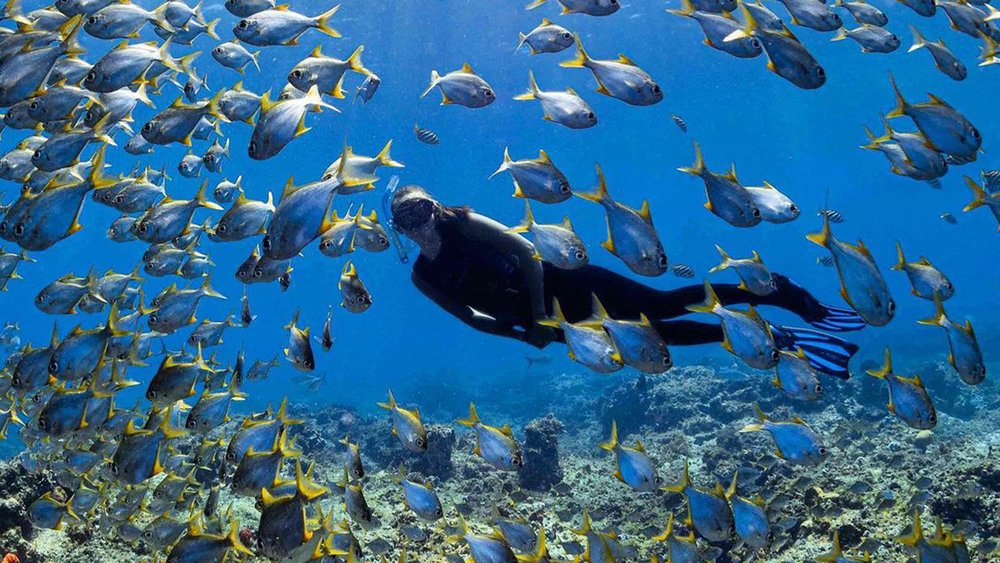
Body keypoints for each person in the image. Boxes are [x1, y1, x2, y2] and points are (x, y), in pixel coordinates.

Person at [388, 185, 863, 379]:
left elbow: (528, 253)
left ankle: (779, 291)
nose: (420, 220)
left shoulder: (466, 223)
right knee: (658, 339)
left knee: (666, 303)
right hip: (548, 325)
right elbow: (470, 318)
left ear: (436, 206)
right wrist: (522, 332)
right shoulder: (421, 276)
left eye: (424, 208)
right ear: (398, 227)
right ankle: (765, 338)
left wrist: (535, 311)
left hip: (568, 287)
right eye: (407, 215)